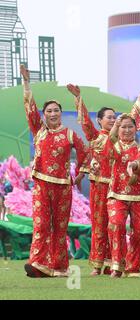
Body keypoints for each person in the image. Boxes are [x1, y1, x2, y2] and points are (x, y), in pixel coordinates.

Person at [20, 65, 90, 278]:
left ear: (61, 113)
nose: (52, 113)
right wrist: (26, 83)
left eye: (56, 110)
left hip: (62, 186)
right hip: (42, 183)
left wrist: (80, 174)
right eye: (48, 111)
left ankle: (59, 267)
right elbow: (30, 108)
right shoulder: (39, 131)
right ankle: (38, 263)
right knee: (41, 224)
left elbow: (84, 151)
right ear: (44, 115)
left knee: (60, 227)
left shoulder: (69, 134)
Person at [67, 84, 117, 276]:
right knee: (99, 225)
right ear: (100, 121)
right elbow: (85, 122)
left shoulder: (121, 139)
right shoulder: (95, 137)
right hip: (98, 187)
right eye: (109, 117)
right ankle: (97, 265)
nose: (112, 120)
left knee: (114, 225)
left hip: (116, 189)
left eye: (114, 117)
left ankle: (114, 263)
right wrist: (79, 98)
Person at [106, 92, 140, 278]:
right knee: (116, 224)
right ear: (117, 130)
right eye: (123, 127)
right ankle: (117, 265)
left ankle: (133, 267)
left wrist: (134, 165)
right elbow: (109, 146)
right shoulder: (114, 146)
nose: (126, 130)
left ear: (135, 129)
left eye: (130, 127)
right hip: (117, 194)